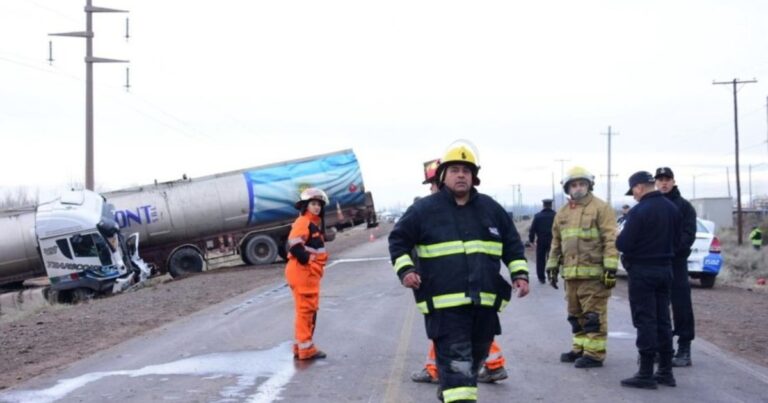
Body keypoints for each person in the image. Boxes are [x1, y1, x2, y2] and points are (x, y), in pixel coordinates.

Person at [389, 140, 530, 402]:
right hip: (446, 310)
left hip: (484, 307)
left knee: (470, 367)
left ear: (474, 177)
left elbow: (512, 244)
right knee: (458, 371)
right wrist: (406, 270)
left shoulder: (491, 209)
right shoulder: (424, 210)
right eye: (454, 170)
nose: (461, 175)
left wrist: (520, 274)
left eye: (466, 170)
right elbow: (398, 241)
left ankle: (449, 392)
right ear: (443, 176)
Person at [411, 158, 510, 385]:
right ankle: (441, 372)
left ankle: (484, 366)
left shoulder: (476, 209)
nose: (431, 189)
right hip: (445, 296)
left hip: (459, 295)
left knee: (459, 337)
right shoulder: (427, 210)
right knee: (451, 337)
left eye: (433, 183)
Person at [545, 166, 618, 369]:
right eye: (574, 185)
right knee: (575, 316)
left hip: (594, 276)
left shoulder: (601, 208)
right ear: (568, 188)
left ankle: (594, 354)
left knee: (593, 316)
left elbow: (610, 239)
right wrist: (552, 264)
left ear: (589, 185)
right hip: (571, 275)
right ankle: (579, 348)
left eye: (582, 184)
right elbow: (556, 242)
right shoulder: (562, 213)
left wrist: (611, 268)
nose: (578, 188)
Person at [617, 171, 681, 389]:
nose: (633, 197)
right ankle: (665, 371)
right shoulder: (672, 208)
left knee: (645, 320)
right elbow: (678, 240)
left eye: (633, 192)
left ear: (639, 188)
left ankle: (645, 373)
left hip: (643, 271)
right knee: (663, 320)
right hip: (666, 270)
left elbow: (623, 244)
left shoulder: (639, 211)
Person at [655, 167, 697, 367]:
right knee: (657, 307)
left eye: (667, 179)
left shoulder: (685, 207)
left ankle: (684, 348)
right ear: (655, 182)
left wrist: (670, 250)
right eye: (660, 179)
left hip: (676, 263)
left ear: (673, 181)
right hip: (655, 264)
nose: (664, 183)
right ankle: (662, 348)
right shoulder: (652, 205)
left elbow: (688, 235)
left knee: (681, 306)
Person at [285, 187, 330, 360]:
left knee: (305, 310)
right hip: (303, 272)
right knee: (306, 311)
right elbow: (294, 244)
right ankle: (306, 349)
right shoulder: (303, 222)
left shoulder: (311, 224)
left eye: (318, 204)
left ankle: (300, 346)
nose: (317, 207)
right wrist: (309, 262)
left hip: (305, 273)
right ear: (305, 206)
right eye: (313, 204)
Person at [528, 199, 556, 284]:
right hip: (552, 240)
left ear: (543, 205)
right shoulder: (556, 215)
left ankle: (541, 278)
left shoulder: (537, 216)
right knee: (551, 259)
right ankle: (551, 276)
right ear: (551, 205)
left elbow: (532, 230)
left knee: (540, 259)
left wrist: (531, 240)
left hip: (541, 240)